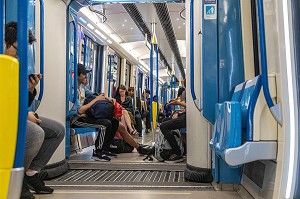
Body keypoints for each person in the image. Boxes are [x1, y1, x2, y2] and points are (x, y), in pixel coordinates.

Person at [5, 22, 65, 199]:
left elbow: (16, 101)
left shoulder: (15, 65)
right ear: (5, 43)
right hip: (8, 117)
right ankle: (18, 178)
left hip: (16, 114)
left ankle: (31, 173)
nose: (19, 54)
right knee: (35, 134)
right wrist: (23, 114)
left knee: (57, 130)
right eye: (16, 48)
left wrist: (30, 90)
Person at [71, 64, 150, 159]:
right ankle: (98, 151)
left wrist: (108, 98)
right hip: (77, 119)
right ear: (78, 75)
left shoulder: (83, 89)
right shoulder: (73, 90)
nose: (86, 76)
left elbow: (96, 95)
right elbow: (79, 111)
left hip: (85, 117)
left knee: (114, 122)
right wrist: (96, 100)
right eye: (84, 74)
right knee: (105, 124)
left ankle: (105, 148)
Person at [159, 84, 186, 163]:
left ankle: (177, 152)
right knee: (164, 121)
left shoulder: (186, 93)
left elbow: (189, 107)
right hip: (185, 115)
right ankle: (170, 147)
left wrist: (178, 103)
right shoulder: (188, 92)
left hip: (187, 117)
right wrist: (178, 112)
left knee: (164, 126)